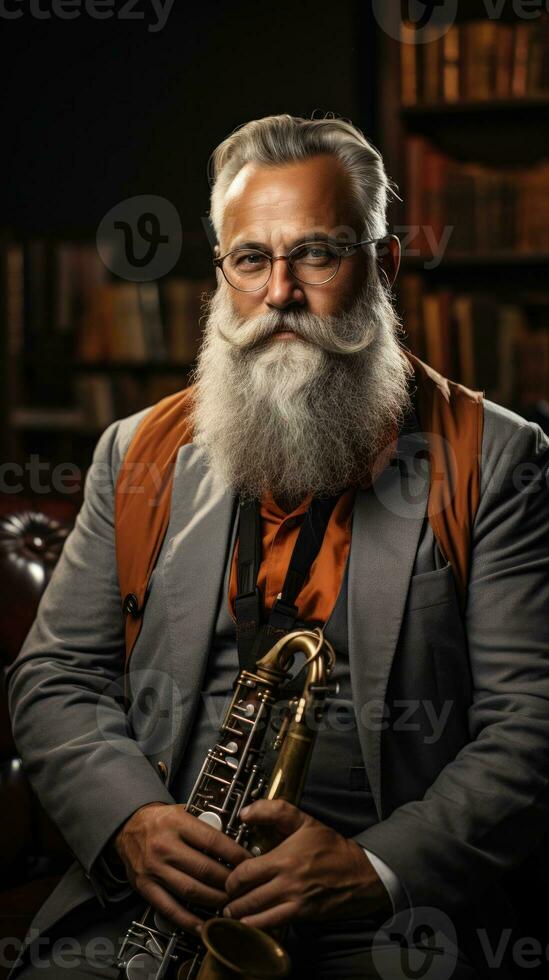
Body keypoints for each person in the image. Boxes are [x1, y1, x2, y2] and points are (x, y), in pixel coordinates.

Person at [6, 114, 549, 980]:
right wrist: (133, 825)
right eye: (251, 260)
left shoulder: (498, 457)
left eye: (318, 255)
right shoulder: (135, 452)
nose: (281, 293)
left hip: (385, 917)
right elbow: (54, 677)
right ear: (222, 273)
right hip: (158, 894)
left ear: (384, 265)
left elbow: (530, 727)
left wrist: (374, 869)